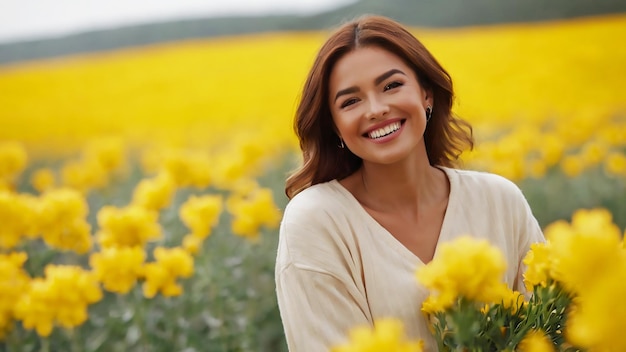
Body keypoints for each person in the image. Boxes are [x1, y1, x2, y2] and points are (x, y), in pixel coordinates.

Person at [274, 15, 544, 352]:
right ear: (334, 126)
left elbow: (552, 331)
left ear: (426, 94)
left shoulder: (501, 201)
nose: (376, 109)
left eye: (391, 86)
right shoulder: (317, 221)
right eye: (351, 101)